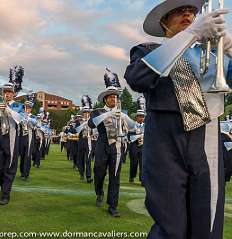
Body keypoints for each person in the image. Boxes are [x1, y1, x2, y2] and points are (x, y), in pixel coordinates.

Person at [124, 0, 231, 237]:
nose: (188, 14)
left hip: (206, 135)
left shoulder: (212, 54)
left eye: (192, 12)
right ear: (164, 21)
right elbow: (137, 78)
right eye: (179, 11)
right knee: (169, 223)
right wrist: (191, 34)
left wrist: (228, 45)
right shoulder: (148, 51)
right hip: (165, 139)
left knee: (208, 221)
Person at [88, 71, 134, 217]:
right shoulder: (98, 111)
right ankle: (99, 192)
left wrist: (125, 117)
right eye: (111, 97)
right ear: (105, 100)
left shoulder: (121, 112)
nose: (114, 99)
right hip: (102, 144)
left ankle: (112, 206)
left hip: (117, 146)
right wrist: (108, 114)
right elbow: (91, 124)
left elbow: (133, 127)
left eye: (115, 97)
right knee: (99, 172)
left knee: (115, 176)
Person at [0, 82, 24, 205]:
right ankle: (4, 186)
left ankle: (5, 194)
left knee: (10, 165)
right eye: (5, 92)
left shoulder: (18, 106)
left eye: (9, 92)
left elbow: (20, 119)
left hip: (11, 136)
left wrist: (9, 110)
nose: (7, 94)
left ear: (13, 94)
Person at [76, 95, 93, 183]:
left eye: (88, 113)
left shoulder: (92, 121)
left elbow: (95, 131)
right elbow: (77, 130)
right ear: (82, 113)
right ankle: (81, 173)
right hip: (81, 141)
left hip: (89, 141)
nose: (86, 114)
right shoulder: (79, 121)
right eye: (85, 112)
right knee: (80, 159)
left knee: (88, 159)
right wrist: (84, 124)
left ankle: (89, 176)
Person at [128, 106, 145, 184]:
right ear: (136, 117)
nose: (141, 118)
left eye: (142, 116)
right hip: (133, 145)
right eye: (140, 116)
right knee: (134, 163)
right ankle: (132, 176)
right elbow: (127, 134)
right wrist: (135, 133)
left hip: (143, 146)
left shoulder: (145, 126)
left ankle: (142, 179)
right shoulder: (132, 124)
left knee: (143, 163)